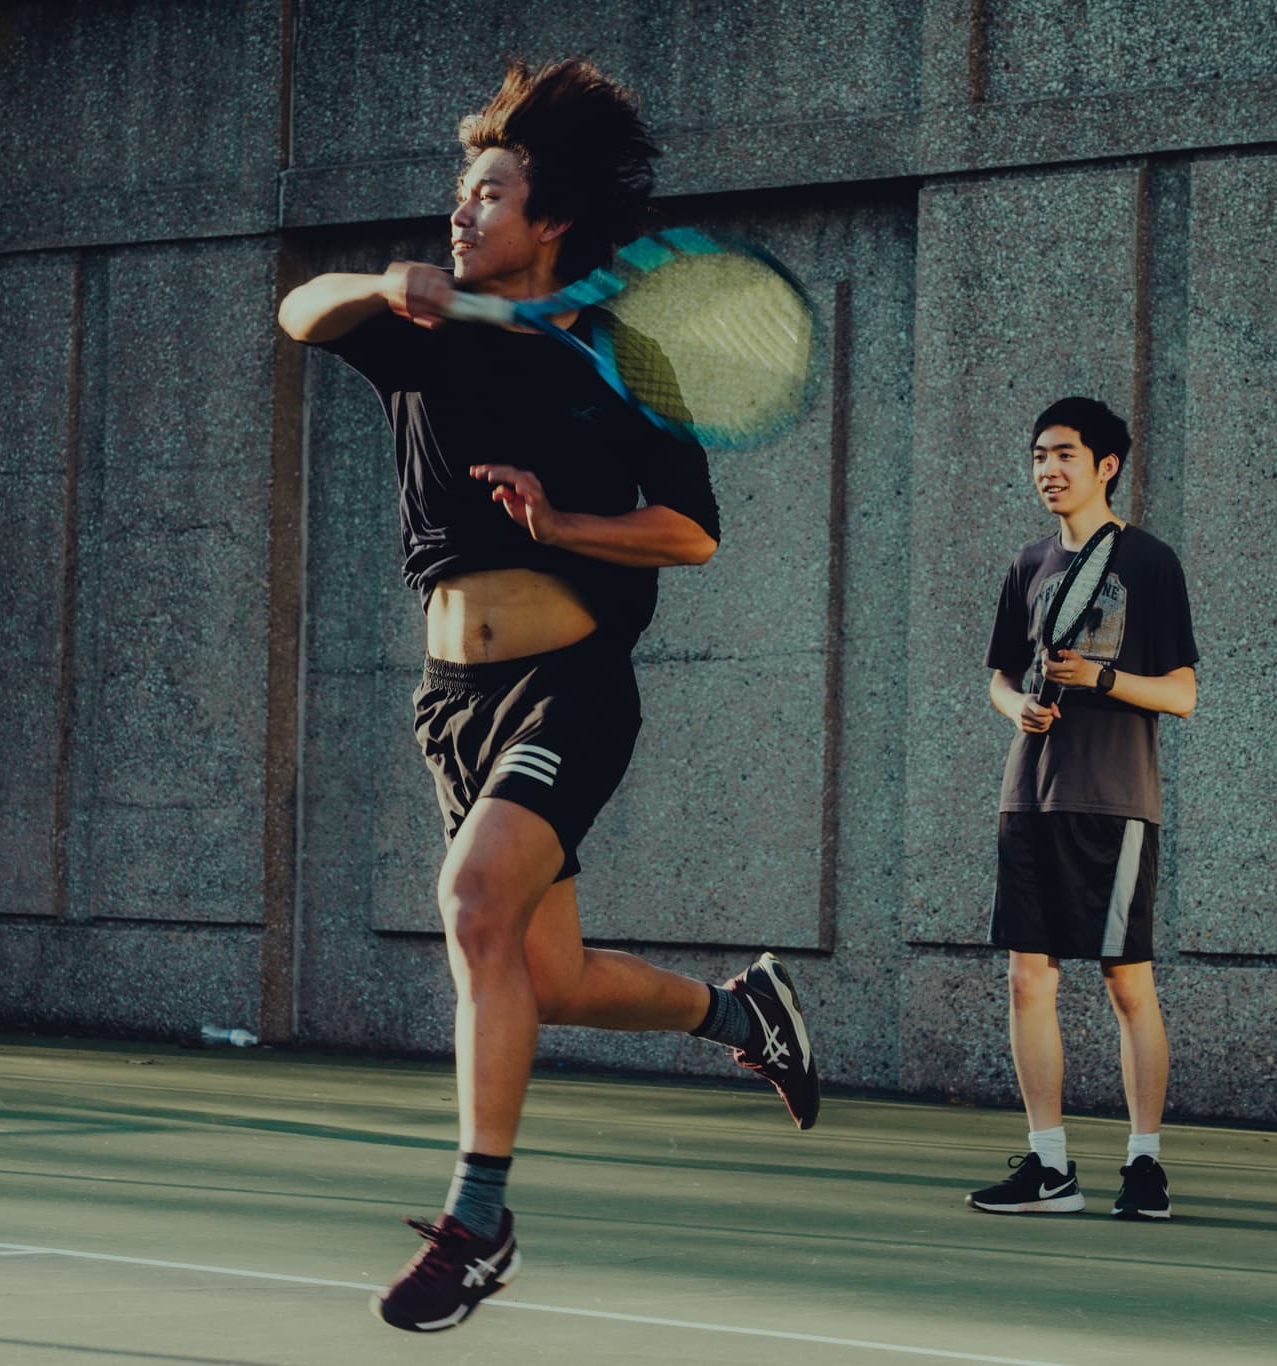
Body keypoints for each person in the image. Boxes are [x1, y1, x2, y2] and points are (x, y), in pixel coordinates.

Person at [276, 58, 820, 1332]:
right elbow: (296, 311)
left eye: (487, 195)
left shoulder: (615, 362)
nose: (460, 216)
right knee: (547, 972)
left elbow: (691, 532)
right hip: (448, 704)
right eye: (458, 196)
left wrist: (564, 519)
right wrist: (379, 282)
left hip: (567, 689)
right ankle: (737, 1010)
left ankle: (477, 1221)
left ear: (548, 218)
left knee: (471, 905)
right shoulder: (417, 333)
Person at [968, 397, 1197, 1221]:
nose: (1047, 470)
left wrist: (1098, 679)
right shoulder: (1027, 564)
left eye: (1064, 454)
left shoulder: (1151, 562)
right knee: (1028, 978)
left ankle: (1144, 1164)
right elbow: (998, 675)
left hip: (1114, 800)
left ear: (1107, 466)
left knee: (1126, 983)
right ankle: (1050, 1164)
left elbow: (1183, 694)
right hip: (1027, 794)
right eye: (1037, 456)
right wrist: (1014, 710)